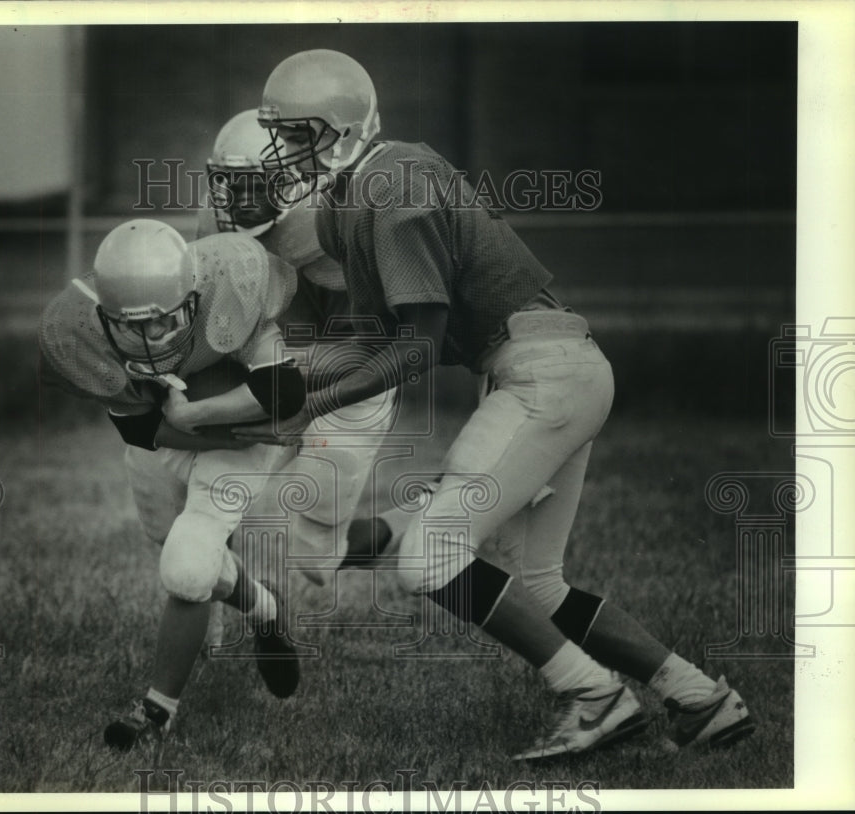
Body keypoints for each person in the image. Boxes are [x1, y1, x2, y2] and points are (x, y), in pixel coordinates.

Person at [238, 49, 755, 760]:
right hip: (551, 370)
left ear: (346, 129)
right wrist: (284, 389)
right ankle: (701, 697)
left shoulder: (391, 189)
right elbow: (370, 340)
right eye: (281, 135)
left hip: (542, 374)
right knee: (535, 585)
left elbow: (415, 349)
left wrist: (305, 404)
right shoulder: (358, 197)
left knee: (432, 558)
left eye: (298, 134)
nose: (283, 152)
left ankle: (594, 696)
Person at [38, 219, 303, 757]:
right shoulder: (81, 331)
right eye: (133, 327)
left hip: (241, 438)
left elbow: (285, 392)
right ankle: (263, 608)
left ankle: (156, 711)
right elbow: (139, 428)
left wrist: (201, 413)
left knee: (186, 567)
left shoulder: (232, 286)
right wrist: (210, 430)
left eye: (164, 321)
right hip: (176, 437)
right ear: (103, 316)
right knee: (177, 550)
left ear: (195, 296)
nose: (153, 338)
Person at [199, 109, 398, 592]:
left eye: (259, 184)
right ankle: (212, 608)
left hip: (349, 385)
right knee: (205, 496)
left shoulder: (329, 227)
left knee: (314, 557)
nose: (242, 200)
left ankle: (411, 521)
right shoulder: (213, 225)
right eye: (232, 182)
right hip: (276, 373)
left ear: (296, 181)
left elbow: (369, 351)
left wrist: (289, 376)